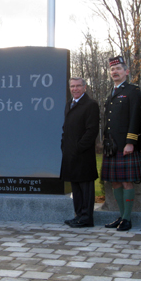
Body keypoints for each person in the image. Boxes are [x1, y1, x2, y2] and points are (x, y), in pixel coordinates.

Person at [101, 56, 141, 231]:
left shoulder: (133, 91)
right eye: (112, 69)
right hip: (111, 145)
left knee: (127, 182)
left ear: (126, 71)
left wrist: (130, 142)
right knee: (115, 182)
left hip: (125, 144)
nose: (114, 72)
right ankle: (121, 216)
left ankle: (127, 219)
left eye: (118, 68)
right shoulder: (110, 92)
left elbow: (136, 117)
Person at [61, 77, 99, 228]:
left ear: (85, 87)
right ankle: (78, 215)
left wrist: (78, 147)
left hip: (83, 154)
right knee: (75, 187)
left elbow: (92, 131)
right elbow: (66, 128)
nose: (75, 89)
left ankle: (86, 218)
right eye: (72, 86)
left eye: (78, 86)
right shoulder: (69, 104)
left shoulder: (91, 105)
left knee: (86, 187)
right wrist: (64, 146)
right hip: (70, 153)